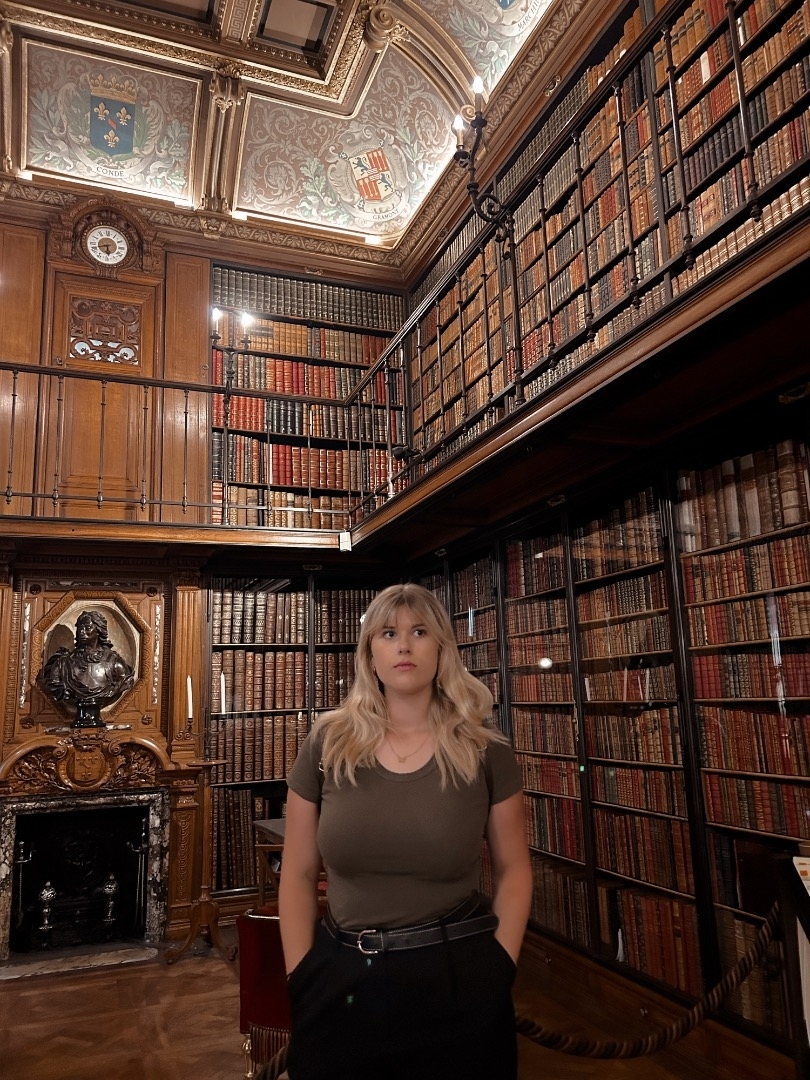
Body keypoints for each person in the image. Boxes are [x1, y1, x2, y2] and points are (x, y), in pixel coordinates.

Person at [279, 583, 532, 1080]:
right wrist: (300, 975)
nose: (404, 646)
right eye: (389, 634)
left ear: (441, 648)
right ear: (369, 653)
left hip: (457, 978)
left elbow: (514, 869)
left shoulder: (485, 750)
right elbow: (299, 873)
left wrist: (499, 967)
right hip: (340, 976)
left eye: (419, 632)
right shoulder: (327, 745)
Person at [40, 609, 134, 726]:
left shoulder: (114, 662)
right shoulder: (63, 663)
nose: (82, 632)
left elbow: (125, 680)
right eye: (80, 628)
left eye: (87, 628)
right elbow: (54, 683)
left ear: (99, 630)